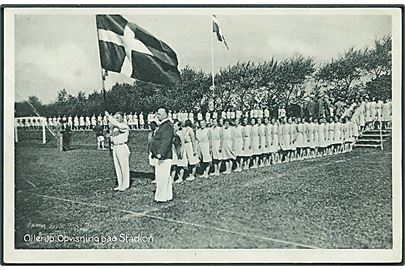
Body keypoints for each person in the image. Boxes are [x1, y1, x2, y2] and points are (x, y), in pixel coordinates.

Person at [150, 107, 174, 202]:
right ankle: (168, 195)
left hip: (163, 156)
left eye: (159, 114)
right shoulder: (163, 125)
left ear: (165, 115)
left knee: (161, 177)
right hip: (161, 155)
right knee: (165, 177)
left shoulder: (167, 126)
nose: (157, 115)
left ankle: (161, 197)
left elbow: (166, 141)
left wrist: (160, 152)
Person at [106, 111, 130, 191]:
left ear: (122, 118)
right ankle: (120, 184)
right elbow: (112, 134)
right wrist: (109, 136)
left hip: (122, 147)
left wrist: (109, 117)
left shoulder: (124, 126)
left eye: (118, 117)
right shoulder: (115, 127)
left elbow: (117, 124)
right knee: (117, 166)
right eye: (115, 117)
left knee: (124, 167)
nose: (116, 119)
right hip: (116, 147)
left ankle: (125, 184)